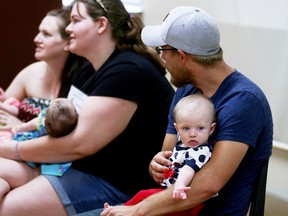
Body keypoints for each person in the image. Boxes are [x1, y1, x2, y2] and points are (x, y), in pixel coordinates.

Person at [0, 0, 175, 215]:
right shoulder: (88, 67)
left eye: (75, 20)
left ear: (101, 25)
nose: (68, 27)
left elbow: (79, 144)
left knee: (8, 208)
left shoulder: (128, 70)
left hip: (114, 183)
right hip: (75, 167)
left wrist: (11, 149)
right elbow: (58, 127)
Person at [100, 6, 273, 216]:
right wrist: (158, 166)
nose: (162, 58)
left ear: (182, 56)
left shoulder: (243, 101)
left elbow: (209, 185)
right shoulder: (186, 91)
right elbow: (169, 156)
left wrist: (136, 211)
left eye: (162, 50)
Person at [122, 94, 216, 209]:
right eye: (186, 128)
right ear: (177, 129)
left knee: (143, 196)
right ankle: (119, 210)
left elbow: (189, 169)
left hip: (186, 199)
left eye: (200, 128)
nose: (192, 134)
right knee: (143, 196)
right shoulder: (182, 145)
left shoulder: (201, 151)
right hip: (172, 192)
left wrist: (180, 185)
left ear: (211, 129)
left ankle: (122, 210)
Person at [0, 8, 86, 127]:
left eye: (46, 34)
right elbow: (3, 110)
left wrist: (20, 125)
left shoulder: (82, 81)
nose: (36, 39)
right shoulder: (30, 72)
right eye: (39, 32)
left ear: (68, 43)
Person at [0, 98, 78, 199]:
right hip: (40, 163)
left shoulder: (40, 121)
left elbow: (25, 126)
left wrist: (17, 129)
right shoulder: (64, 135)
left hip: (25, 149)